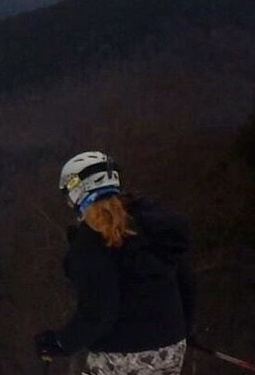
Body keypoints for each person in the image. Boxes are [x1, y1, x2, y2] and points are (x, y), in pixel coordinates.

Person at [35, 151, 196, 375]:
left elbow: (99, 311)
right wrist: (186, 327)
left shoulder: (91, 242)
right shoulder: (149, 222)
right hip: (170, 345)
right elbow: (184, 278)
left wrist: (60, 342)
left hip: (124, 350)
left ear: (77, 191)